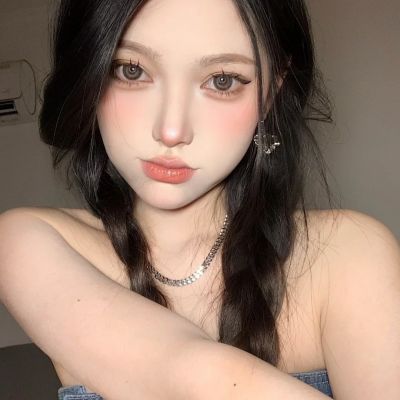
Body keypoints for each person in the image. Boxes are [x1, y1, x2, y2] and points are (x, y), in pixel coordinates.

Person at [0, 0, 399, 399]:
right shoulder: (29, 243)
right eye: (131, 70)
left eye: (222, 81)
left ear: (270, 94)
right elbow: (191, 378)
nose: (171, 130)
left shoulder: (351, 256)